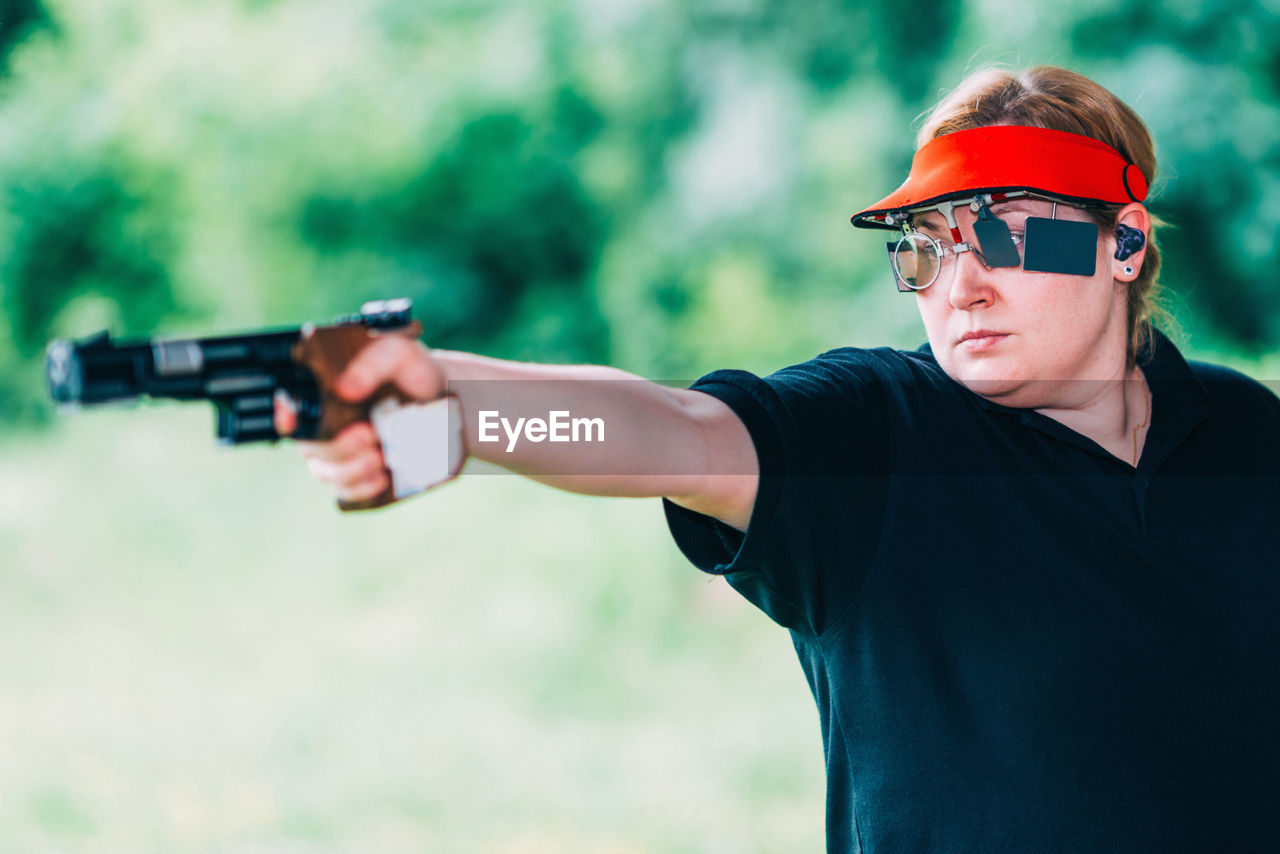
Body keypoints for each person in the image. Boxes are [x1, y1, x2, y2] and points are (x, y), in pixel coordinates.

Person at [277, 66, 1280, 852]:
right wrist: (453, 407)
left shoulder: (1245, 435)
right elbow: (663, 432)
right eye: (927, 245)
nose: (957, 284)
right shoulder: (879, 437)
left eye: (1006, 234)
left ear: (1122, 244)